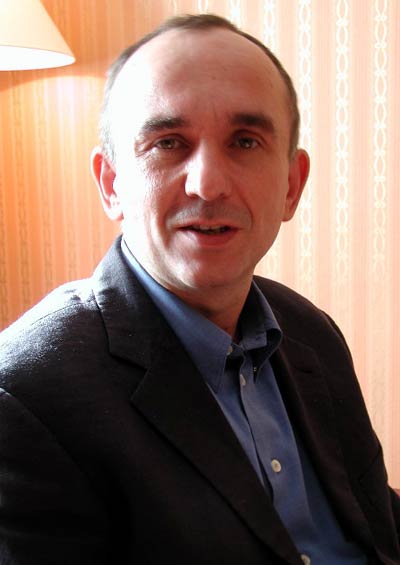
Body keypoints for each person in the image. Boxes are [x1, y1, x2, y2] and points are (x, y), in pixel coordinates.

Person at [0, 13, 399, 565]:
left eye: (245, 141)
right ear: (112, 185)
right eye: (168, 143)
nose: (208, 184)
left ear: (291, 185)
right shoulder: (25, 397)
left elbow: (375, 520)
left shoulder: (311, 330)